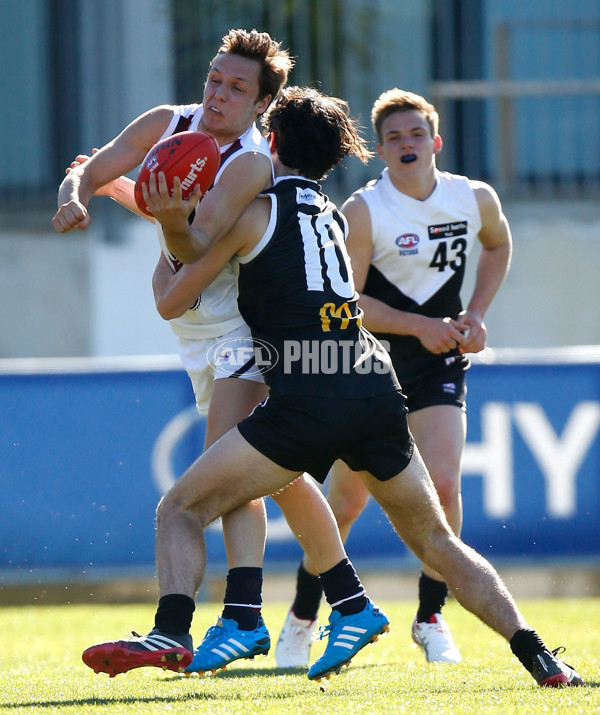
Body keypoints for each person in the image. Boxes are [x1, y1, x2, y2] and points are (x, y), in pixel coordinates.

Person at [85, 84, 582, 687]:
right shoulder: (336, 215)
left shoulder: (255, 213)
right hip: (375, 386)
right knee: (436, 540)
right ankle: (537, 656)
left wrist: (165, 215)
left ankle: (174, 628)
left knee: (181, 507)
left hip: (307, 393)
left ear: (270, 143)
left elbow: (174, 292)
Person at [55, 30, 379, 676]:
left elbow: (195, 248)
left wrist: (152, 210)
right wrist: (74, 195)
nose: (217, 94)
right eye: (214, 78)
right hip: (198, 337)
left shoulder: (251, 162)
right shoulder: (168, 123)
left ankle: (199, 623)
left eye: (236, 87)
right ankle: (338, 601)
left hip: (240, 331)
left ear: (262, 104)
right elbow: (99, 163)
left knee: (221, 476)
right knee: (272, 479)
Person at [275, 87, 513, 668]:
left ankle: (431, 617)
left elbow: (499, 245)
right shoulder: (363, 210)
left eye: (415, 135)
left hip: (436, 364)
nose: (406, 145)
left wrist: (476, 314)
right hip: (371, 366)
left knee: (445, 485)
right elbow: (347, 301)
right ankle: (306, 613)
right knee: (347, 504)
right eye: (393, 138)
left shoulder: (473, 197)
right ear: (379, 151)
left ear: (436, 141)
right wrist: (418, 324)